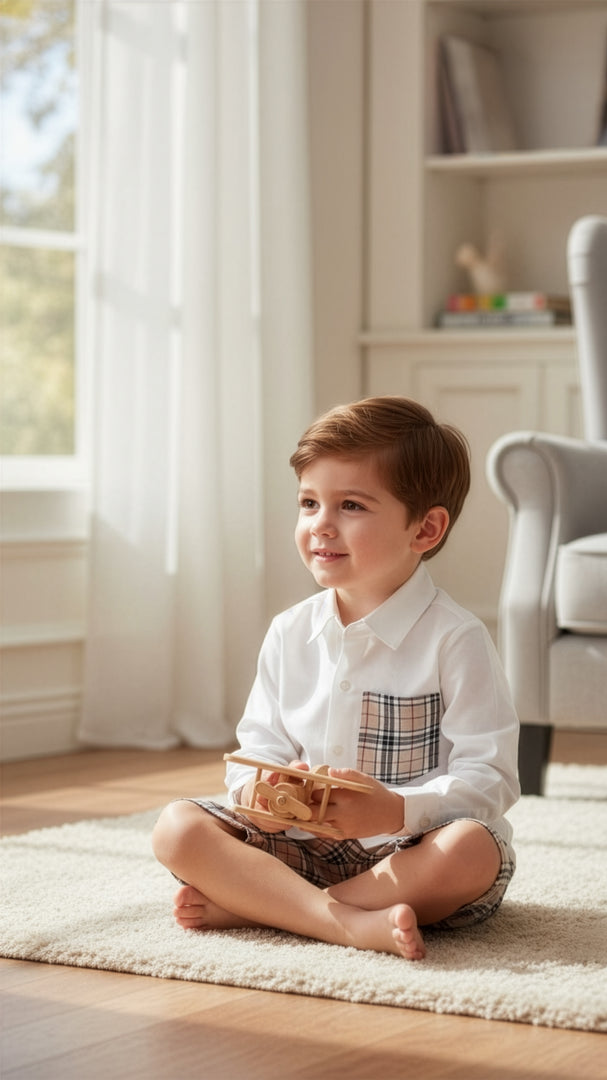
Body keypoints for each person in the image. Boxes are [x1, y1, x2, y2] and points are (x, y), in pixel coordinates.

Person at [152, 396, 519, 961]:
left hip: (407, 856)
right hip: (295, 847)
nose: (320, 525)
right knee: (176, 828)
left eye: (350, 505)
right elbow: (259, 746)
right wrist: (262, 792)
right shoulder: (288, 631)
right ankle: (342, 922)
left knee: (474, 849)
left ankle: (270, 907)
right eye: (308, 503)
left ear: (425, 529)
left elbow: (490, 779)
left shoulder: (457, 638)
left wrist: (396, 810)